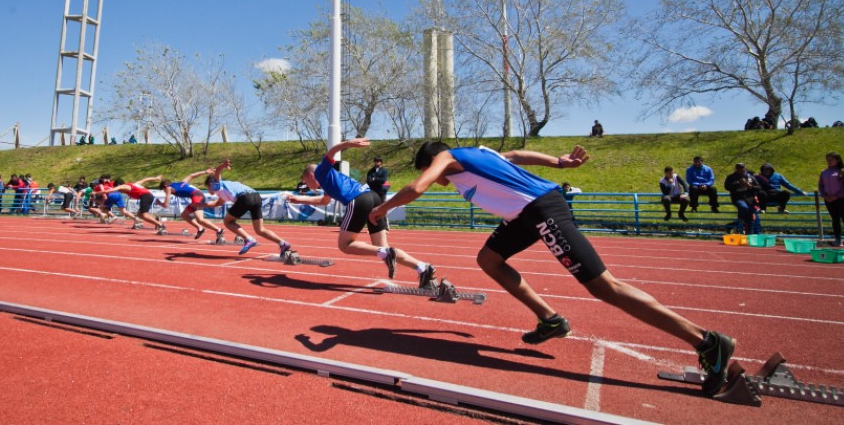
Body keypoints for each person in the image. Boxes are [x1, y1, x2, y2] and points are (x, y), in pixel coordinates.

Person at [369, 141, 736, 397]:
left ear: (433, 160)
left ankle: (706, 341)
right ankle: (549, 319)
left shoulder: (447, 158)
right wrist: (558, 162)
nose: (441, 181)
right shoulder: (479, 154)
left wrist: (382, 210)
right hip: (524, 216)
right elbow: (515, 155)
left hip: (541, 210)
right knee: (489, 259)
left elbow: (417, 187)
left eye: (436, 172)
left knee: (604, 286)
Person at [285, 138, 437, 288]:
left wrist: (348, 144)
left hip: (359, 200)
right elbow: (324, 201)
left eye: (306, 181)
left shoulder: (320, 171)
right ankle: (423, 268)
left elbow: (330, 153)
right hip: (373, 198)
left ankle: (388, 253)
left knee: (345, 245)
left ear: (310, 175)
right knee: (382, 248)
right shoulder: (328, 180)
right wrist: (299, 200)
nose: (308, 186)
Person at [204, 160, 293, 256]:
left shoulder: (216, 185)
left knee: (227, 221)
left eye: (207, 188)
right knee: (260, 229)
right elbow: (218, 203)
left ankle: (248, 239)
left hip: (245, 198)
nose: (208, 191)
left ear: (210, 184)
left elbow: (217, 172)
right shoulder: (225, 188)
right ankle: (283, 243)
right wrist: (201, 205)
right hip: (256, 196)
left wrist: (222, 166)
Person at [158, 171, 223, 239]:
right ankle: (200, 228)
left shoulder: (168, 188)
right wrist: (205, 172)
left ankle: (219, 230)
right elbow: (191, 175)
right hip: (199, 195)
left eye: (163, 190)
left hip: (197, 196)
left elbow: (165, 205)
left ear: (165, 186)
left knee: (200, 219)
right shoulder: (181, 183)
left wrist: (159, 203)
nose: (164, 192)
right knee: (184, 215)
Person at [98, 177, 165, 233]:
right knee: (139, 214)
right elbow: (145, 179)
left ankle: (161, 225)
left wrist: (99, 192)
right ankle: (156, 220)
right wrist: (156, 178)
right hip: (148, 196)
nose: (120, 191)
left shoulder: (123, 186)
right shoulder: (134, 184)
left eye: (120, 190)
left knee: (144, 215)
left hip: (145, 196)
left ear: (118, 185)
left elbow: (112, 190)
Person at [818, 152, 844, 247]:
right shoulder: (824, 172)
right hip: (829, 200)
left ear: (837, 160)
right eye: (828, 160)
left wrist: (836, 195)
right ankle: (838, 239)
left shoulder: (843, 171)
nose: (829, 162)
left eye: (831, 160)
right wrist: (824, 195)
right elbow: (821, 185)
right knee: (835, 219)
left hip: (843, 199)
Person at [723, 163, 763, 235]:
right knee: (744, 208)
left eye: (742, 168)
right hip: (738, 198)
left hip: (750, 199)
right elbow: (727, 187)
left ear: (745, 168)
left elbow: (759, 187)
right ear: (736, 169)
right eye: (739, 168)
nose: (741, 169)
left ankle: (749, 234)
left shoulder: (750, 177)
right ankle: (738, 226)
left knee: (753, 218)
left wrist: (750, 186)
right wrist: (739, 183)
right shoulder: (731, 177)